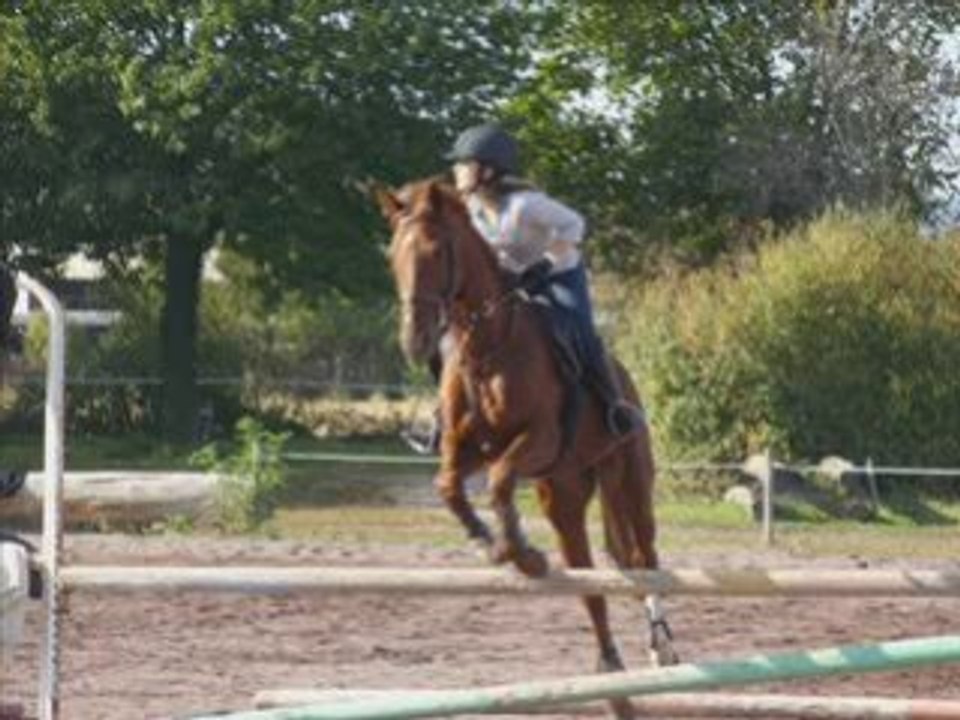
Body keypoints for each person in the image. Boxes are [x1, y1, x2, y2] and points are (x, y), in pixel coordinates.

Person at [404, 124, 643, 454]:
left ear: (487, 171)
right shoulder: (471, 210)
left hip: (559, 276)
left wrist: (546, 262)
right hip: (511, 280)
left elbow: (575, 224)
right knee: (452, 337)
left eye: (463, 163)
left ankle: (615, 408)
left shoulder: (526, 205)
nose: (456, 170)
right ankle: (442, 416)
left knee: (578, 332)